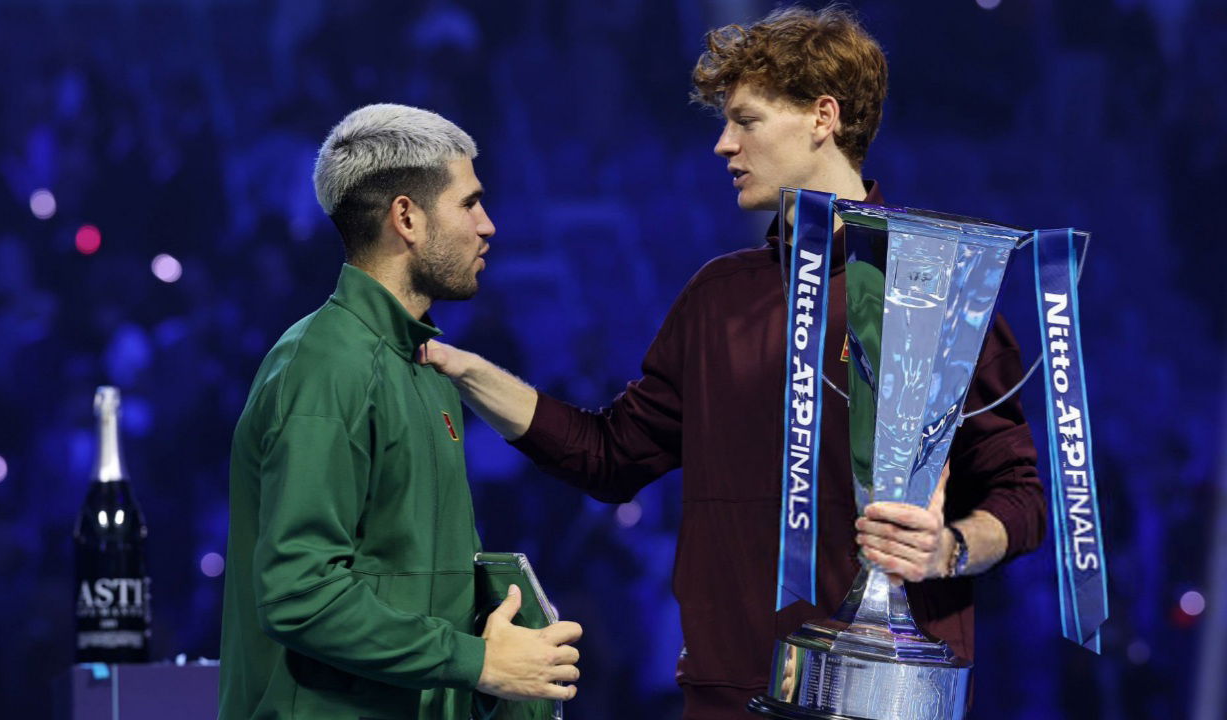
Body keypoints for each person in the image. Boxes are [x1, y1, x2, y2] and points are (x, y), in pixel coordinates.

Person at [424, 6, 1046, 718]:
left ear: (823, 117)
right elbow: (610, 456)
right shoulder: (717, 299)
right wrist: (471, 373)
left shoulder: (933, 290)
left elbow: (1020, 496)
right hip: (725, 693)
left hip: (886, 695)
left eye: (746, 121)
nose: (723, 145)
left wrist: (953, 547)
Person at [218, 104, 582, 720]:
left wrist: (501, 658)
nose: (488, 224)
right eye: (469, 203)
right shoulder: (325, 364)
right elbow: (299, 594)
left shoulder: (424, 365)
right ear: (407, 217)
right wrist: (478, 663)